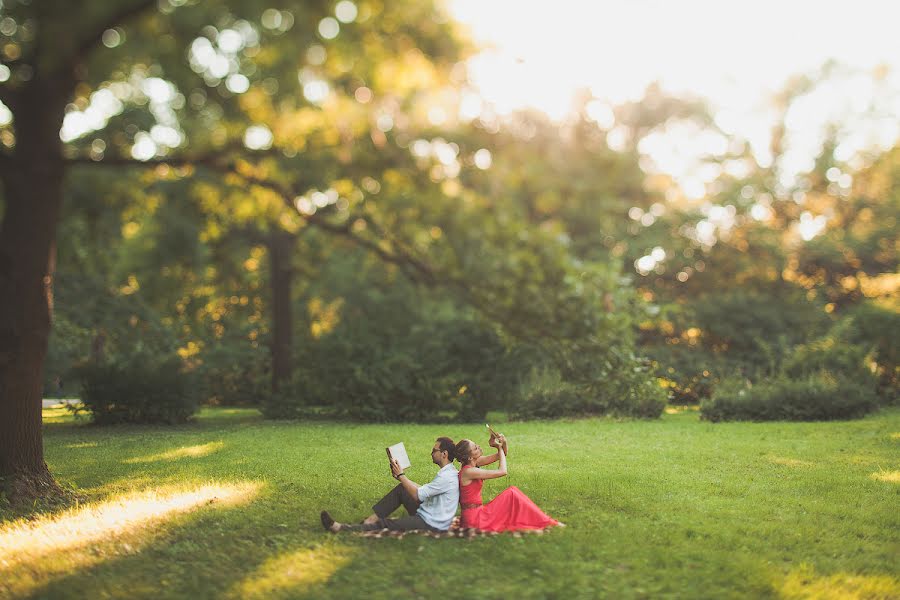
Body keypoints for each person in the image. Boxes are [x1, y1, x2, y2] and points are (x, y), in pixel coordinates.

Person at [321, 437, 459, 533]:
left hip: (431, 524)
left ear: (444, 454)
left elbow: (418, 496)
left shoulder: (446, 477)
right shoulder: (448, 473)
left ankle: (341, 528)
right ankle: (372, 519)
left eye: (434, 450)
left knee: (386, 525)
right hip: (430, 513)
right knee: (402, 489)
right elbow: (424, 490)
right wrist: (402, 478)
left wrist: (401, 475)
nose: (431, 453)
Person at [455, 433, 560, 532]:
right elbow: (503, 471)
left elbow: (502, 454)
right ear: (470, 457)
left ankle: (544, 519)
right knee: (512, 493)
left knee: (513, 492)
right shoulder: (469, 471)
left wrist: (503, 443)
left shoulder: (474, 462)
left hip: (479, 513)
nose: (479, 446)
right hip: (475, 520)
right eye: (475, 448)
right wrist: (498, 447)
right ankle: (546, 521)